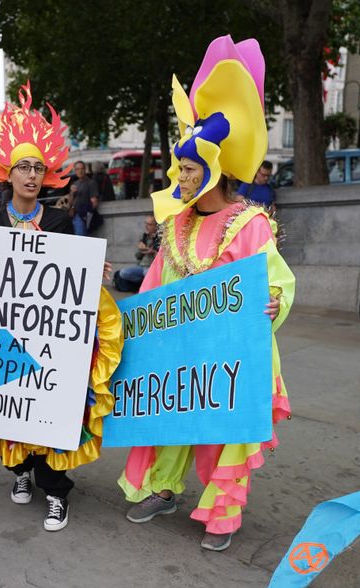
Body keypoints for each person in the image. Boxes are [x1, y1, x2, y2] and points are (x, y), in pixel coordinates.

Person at [119, 36, 294, 552]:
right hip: (179, 347)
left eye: (189, 169)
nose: (180, 176)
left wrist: (274, 303)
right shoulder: (175, 226)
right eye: (180, 167)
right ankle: (164, 490)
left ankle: (223, 515)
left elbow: (276, 281)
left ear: (213, 170)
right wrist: (131, 328)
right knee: (168, 418)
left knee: (224, 431)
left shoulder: (250, 222)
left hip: (230, 352)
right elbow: (155, 285)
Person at [0, 81, 123, 532]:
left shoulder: (62, 221)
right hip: (4, 337)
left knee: (52, 414)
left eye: (37, 168)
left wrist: (93, 271)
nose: (30, 174)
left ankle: (56, 492)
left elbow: (72, 280)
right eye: (22, 167)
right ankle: (20, 473)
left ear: (45, 176)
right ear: (7, 174)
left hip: (50, 341)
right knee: (9, 411)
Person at [113, 216, 159, 292]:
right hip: (141, 266)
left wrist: (153, 252)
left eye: (149, 224)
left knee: (147, 273)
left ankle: (145, 287)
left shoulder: (159, 238)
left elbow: (163, 258)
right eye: (146, 224)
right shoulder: (144, 237)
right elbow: (137, 256)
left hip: (151, 267)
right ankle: (140, 284)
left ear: (156, 226)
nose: (146, 226)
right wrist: (141, 250)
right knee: (123, 273)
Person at [71, 161, 99, 235]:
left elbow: (94, 202)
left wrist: (87, 216)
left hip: (84, 216)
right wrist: (72, 193)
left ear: (85, 169)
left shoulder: (91, 183)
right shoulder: (75, 184)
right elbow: (71, 201)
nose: (80, 171)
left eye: (82, 169)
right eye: (77, 169)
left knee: (81, 239)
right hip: (75, 215)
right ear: (75, 171)